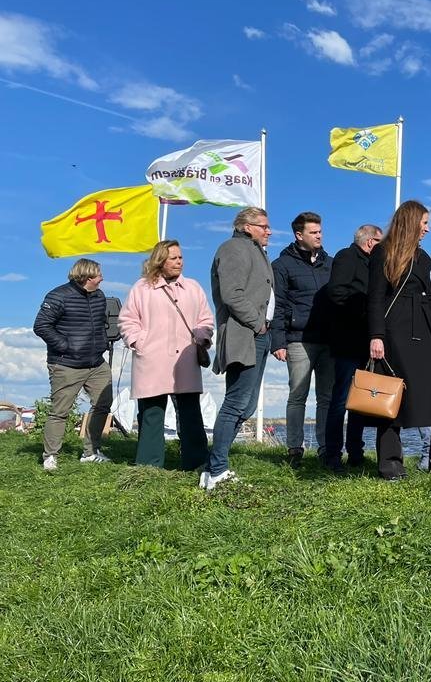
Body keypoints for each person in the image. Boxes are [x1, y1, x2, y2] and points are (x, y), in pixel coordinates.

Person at [367, 201, 431, 480]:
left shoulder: (422, 257)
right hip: (395, 336)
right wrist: (376, 335)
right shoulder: (384, 252)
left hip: (426, 335)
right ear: (411, 222)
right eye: (424, 223)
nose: (428, 229)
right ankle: (391, 466)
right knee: (392, 396)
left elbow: (428, 296)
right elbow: (374, 298)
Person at [119, 240, 214, 469]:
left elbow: (205, 319)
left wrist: (202, 335)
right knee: (151, 412)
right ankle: (149, 465)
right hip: (152, 359)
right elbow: (127, 320)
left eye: (181, 257)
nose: (179, 262)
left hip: (185, 359)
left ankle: (196, 462)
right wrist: (138, 341)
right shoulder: (141, 289)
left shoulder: (193, 287)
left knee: (190, 412)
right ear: (160, 261)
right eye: (173, 258)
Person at [204, 206, 275, 490]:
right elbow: (232, 293)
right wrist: (257, 323)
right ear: (247, 226)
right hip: (243, 334)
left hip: (258, 335)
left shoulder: (255, 250)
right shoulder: (233, 248)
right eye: (264, 226)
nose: (269, 231)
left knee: (245, 406)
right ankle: (217, 470)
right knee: (236, 402)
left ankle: (213, 467)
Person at [33, 258, 114, 471]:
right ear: (87, 277)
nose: (102, 278)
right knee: (60, 411)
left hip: (96, 363)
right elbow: (41, 325)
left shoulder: (99, 296)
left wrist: (103, 343)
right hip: (66, 364)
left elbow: (101, 324)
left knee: (103, 404)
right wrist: (66, 346)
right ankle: (50, 456)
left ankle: (91, 452)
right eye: (98, 275)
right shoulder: (58, 296)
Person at [270, 211, 334, 468]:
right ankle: (295, 448)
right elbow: (279, 305)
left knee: (327, 398)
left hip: (330, 340)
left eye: (320, 231)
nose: (319, 235)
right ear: (299, 235)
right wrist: (279, 341)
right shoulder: (282, 266)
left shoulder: (330, 263)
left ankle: (326, 448)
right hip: (298, 339)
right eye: (313, 232)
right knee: (298, 395)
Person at [324, 224, 382, 469]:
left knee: (360, 401)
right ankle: (333, 455)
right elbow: (337, 292)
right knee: (340, 400)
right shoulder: (347, 257)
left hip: (364, 343)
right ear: (370, 242)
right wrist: (366, 312)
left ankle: (356, 453)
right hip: (348, 341)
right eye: (381, 242)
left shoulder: (373, 265)